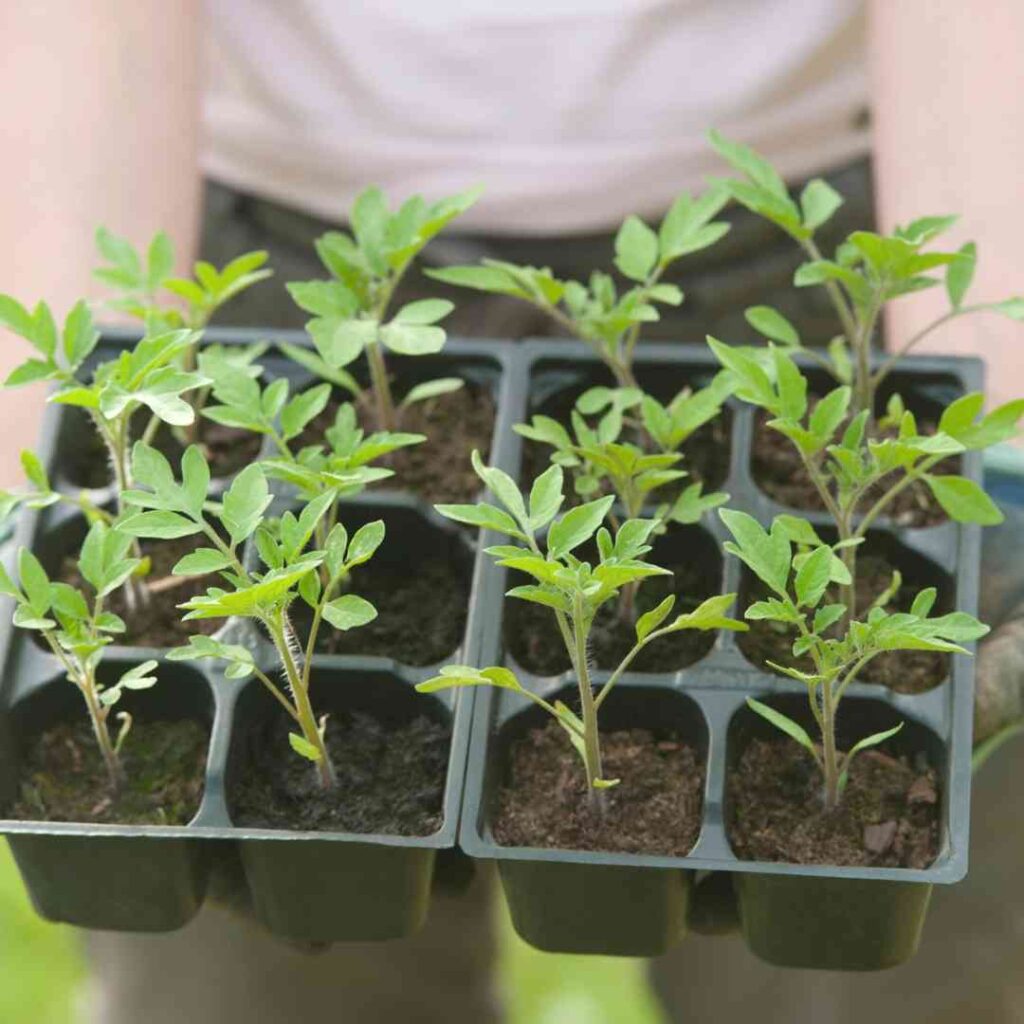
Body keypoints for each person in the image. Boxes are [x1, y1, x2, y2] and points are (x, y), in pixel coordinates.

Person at [3, 3, 1024, 1021]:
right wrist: (38, 473)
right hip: (234, 250)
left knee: (877, 978)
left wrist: (1004, 461)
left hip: (859, 222)